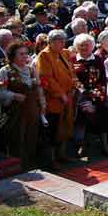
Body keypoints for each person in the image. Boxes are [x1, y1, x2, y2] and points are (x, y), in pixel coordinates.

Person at [0, 42, 45, 171]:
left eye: (26, 53)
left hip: (32, 111)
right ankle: (16, 167)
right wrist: (13, 95)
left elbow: (39, 88)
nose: (24, 56)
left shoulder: (32, 70)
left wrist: (43, 104)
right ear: (13, 56)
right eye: (21, 54)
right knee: (16, 139)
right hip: (15, 113)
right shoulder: (5, 71)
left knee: (31, 138)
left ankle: (29, 164)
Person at [35, 29, 75, 169]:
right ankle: (50, 159)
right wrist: (60, 94)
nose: (62, 43)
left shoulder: (64, 52)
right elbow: (46, 78)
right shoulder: (44, 55)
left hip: (68, 96)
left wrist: (74, 85)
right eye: (58, 41)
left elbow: (70, 70)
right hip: (54, 99)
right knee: (52, 129)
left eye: (63, 40)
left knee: (66, 125)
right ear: (50, 42)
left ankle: (61, 154)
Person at [71, 33, 108, 157]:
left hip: (97, 94)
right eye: (81, 45)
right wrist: (85, 95)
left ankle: (105, 146)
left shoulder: (98, 60)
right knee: (82, 117)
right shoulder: (72, 60)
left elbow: (102, 80)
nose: (84, 48)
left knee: (101, 114)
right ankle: (82, 145)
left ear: (92, 46)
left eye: (87, 45)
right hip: (79, 96)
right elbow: (73, 80)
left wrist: (94, 97)